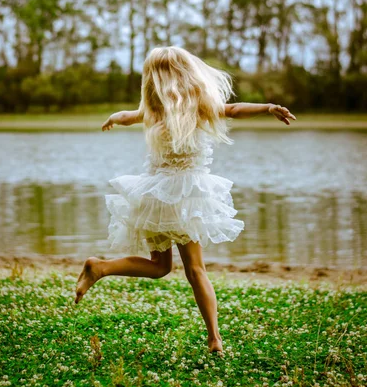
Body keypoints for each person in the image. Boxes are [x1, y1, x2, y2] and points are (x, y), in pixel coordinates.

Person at [74, 46, 296, 353]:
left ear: (152, 78)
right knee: (196, 270)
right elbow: (232, 109)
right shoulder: (197, 104)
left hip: (153, 195)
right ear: (186, 72)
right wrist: (267, 107)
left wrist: (113, 118)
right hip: (185, 196)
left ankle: (100, 267)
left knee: (159, 266)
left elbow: (128, 117)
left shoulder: (152, 107)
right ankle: (215, 339)